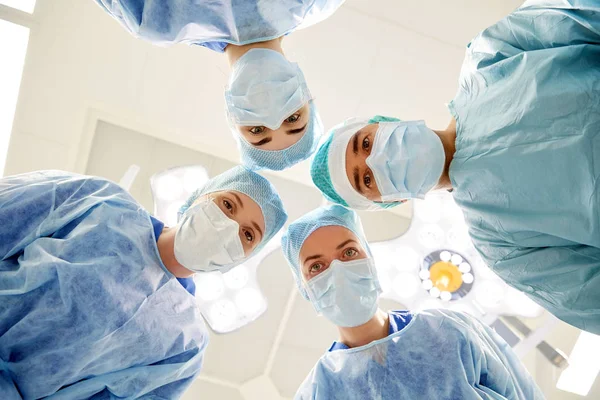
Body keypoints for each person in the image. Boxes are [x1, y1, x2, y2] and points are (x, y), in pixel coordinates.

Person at [309, 0, 600, 334]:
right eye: (367, 178)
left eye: (365, 143)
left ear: (384, 122)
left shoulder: (494, 56)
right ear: (394, 200)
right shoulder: (502, 245)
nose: (379, 158)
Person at [0, 166, 287, 399]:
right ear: (199, 196)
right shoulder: (100, 202)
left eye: (248, 235)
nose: (229, 228)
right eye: (227, 205)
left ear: (241, 260)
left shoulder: (184, 348)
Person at [280, 205, 544, 400]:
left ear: (370, 261)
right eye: (317, 266)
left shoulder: (448, 328)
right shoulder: (318, 392)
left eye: (349, 252)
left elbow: (521, 392)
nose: (337, 270)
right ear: (306, 291)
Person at [94, 0, 345, 171]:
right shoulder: (316, 4)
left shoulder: (156, 24)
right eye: (292, 118)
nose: (272, 113)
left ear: (232, 117)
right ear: (307, 95)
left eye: (257, 130)